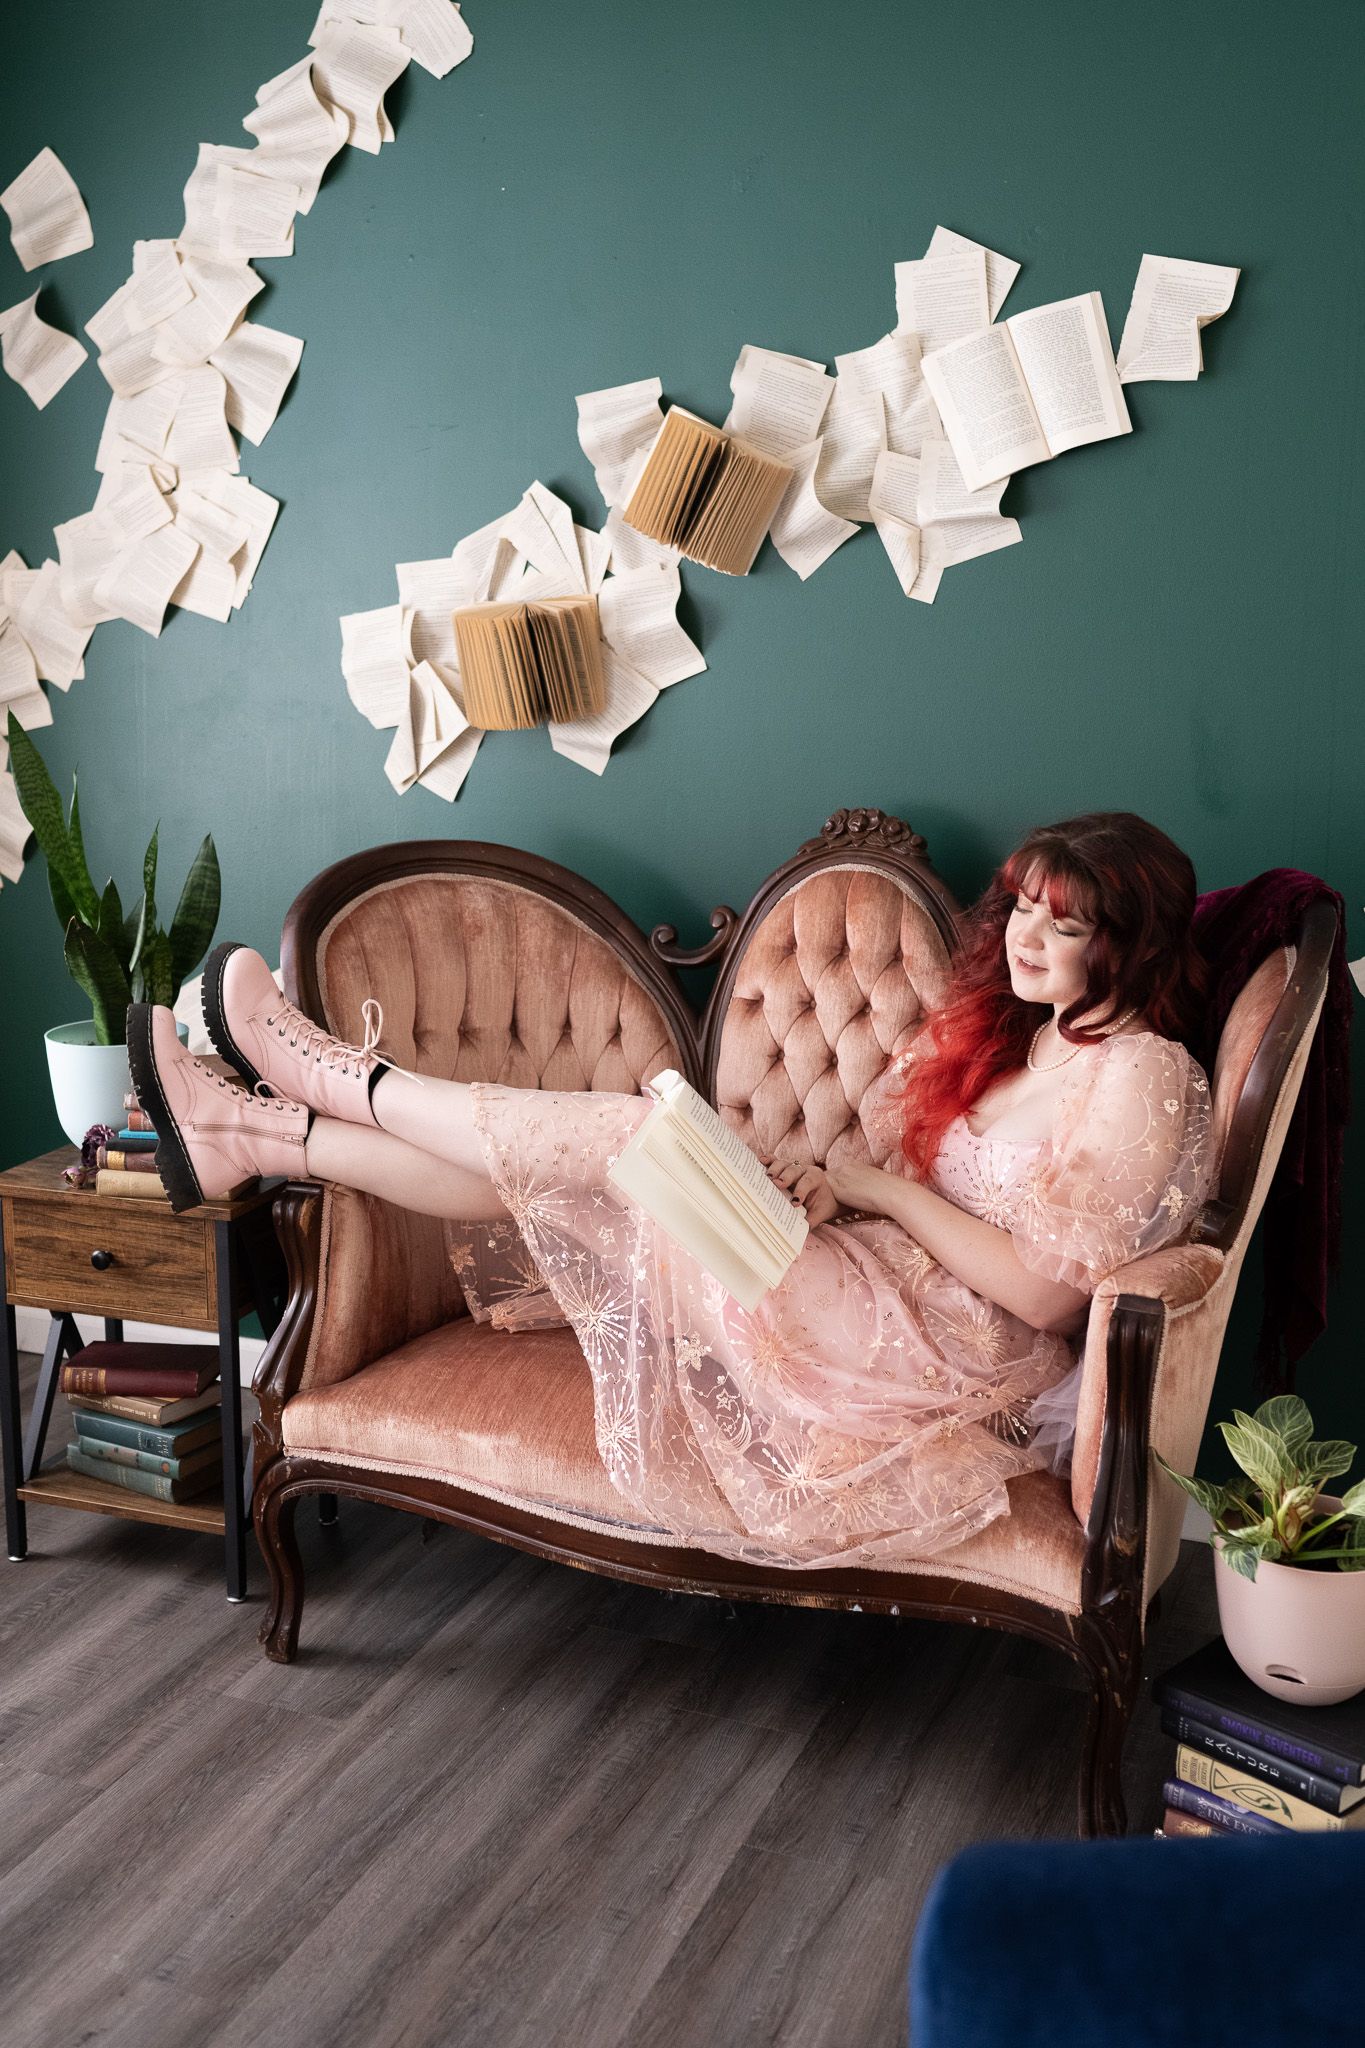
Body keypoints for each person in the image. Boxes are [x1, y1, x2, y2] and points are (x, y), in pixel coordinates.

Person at [126, 811, 1213, 1570]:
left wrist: (875, 1187)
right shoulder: (1025, 1040)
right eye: (1022, 906)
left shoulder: (1146, 1072)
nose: (1024, 935)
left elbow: (1050, 1293)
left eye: (1061, 923)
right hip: (869, 1295)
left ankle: (328, 1078)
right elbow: (941, 1192)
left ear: (1128, 942)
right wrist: (846, 1196)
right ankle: (260, 1132)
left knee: (632, 1131)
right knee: (572, 1172)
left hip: (936, 1357)